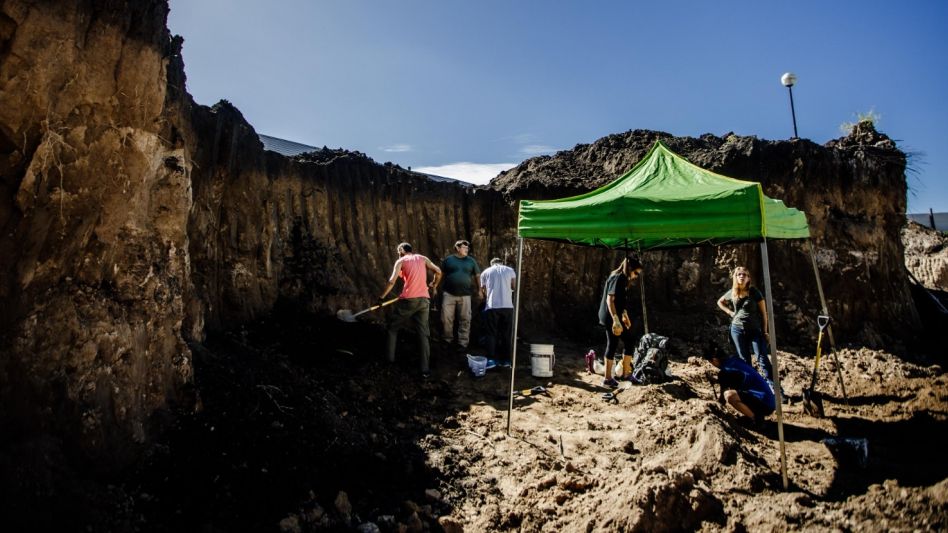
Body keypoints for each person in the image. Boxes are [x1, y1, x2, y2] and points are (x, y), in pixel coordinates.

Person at [379, 242, 442, 378]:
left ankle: (389, 361)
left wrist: (382, 297)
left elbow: (391, 281)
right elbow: (438, 271)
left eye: (398, 250)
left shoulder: (401, 260)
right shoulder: (423, 258)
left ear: (402, 249)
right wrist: (434, 284)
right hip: (424, 300)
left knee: (393, 328)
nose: (398, 253)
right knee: (423, 334)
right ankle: (424, 370)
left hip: (409, 300)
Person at [716, 266, 779, 393]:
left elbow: (764, 313)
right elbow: (720, 302)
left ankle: (776, 391)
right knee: (744, 361)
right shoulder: (732, 292)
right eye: (739, 274)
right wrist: (730, 312)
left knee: (762, 359)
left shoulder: (754, 292)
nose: (741, 276)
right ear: (735, 277)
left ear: (748, 278)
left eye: (744, 274)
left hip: (755, 330)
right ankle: (752, 388)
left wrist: (765, 331)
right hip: (737, 330)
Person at [597, 256, 644, 388]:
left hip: (616, 315)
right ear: (629, 268)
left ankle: (626, 374)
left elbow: (620, 301)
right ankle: (607, 379)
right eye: (635, 273)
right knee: (613, 343)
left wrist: (625, 316)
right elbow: (610, 300)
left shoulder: (624, 279)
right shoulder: (618, 277)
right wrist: (616, 320)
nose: (635, 276)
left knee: (629, 340)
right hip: (609, 316)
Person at [703, 343, 776, 426]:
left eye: (710, 362)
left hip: (765, 404)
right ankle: (756, 415)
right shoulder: (734, 360)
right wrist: (716, 381)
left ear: (714, 360)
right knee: (736, 393)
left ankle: (757, 420)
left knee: (729, 395)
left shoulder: (725, 372)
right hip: (769, 401)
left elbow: (722, 400)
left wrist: (715, 410)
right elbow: (737, 380)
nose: (712, 365)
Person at [439, 239, 481, 350]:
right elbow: (440, 274)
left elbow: (477, 275)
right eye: (464, 247)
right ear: (457, 248)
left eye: (467, 248)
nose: (466, 250)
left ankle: (463, 343)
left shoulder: (471, 261)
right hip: (449, 294)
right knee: (446, 318)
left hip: (465, 295)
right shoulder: (448, 260)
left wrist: (480, 290)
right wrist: (434, 287)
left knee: (465, 319)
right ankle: (447, 340)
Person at [479, 257, 517, 366]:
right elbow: (513, 286)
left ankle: (491, 360)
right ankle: (506, 360)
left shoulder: (485, 272)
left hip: (492, 306)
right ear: (502, 263)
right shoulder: (510, 270)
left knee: (491, 333)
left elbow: (483, 289)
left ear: (492, 263)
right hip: (508, 306)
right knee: (506, 333)